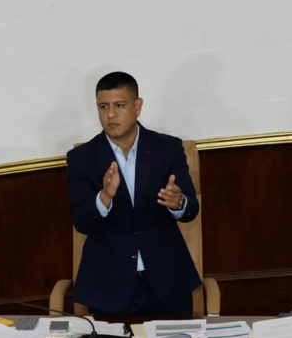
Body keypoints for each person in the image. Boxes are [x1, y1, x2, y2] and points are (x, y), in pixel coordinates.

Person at [66, 72, 202, 316]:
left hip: (168, 286)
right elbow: (82, 222)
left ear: (137, 106)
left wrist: (178, 201)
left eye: (119, 105)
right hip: (109, 290)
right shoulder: (82, 158)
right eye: (103, 106)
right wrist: (105, 197)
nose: (110, 115)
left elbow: (191, 210)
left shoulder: (167, 148)